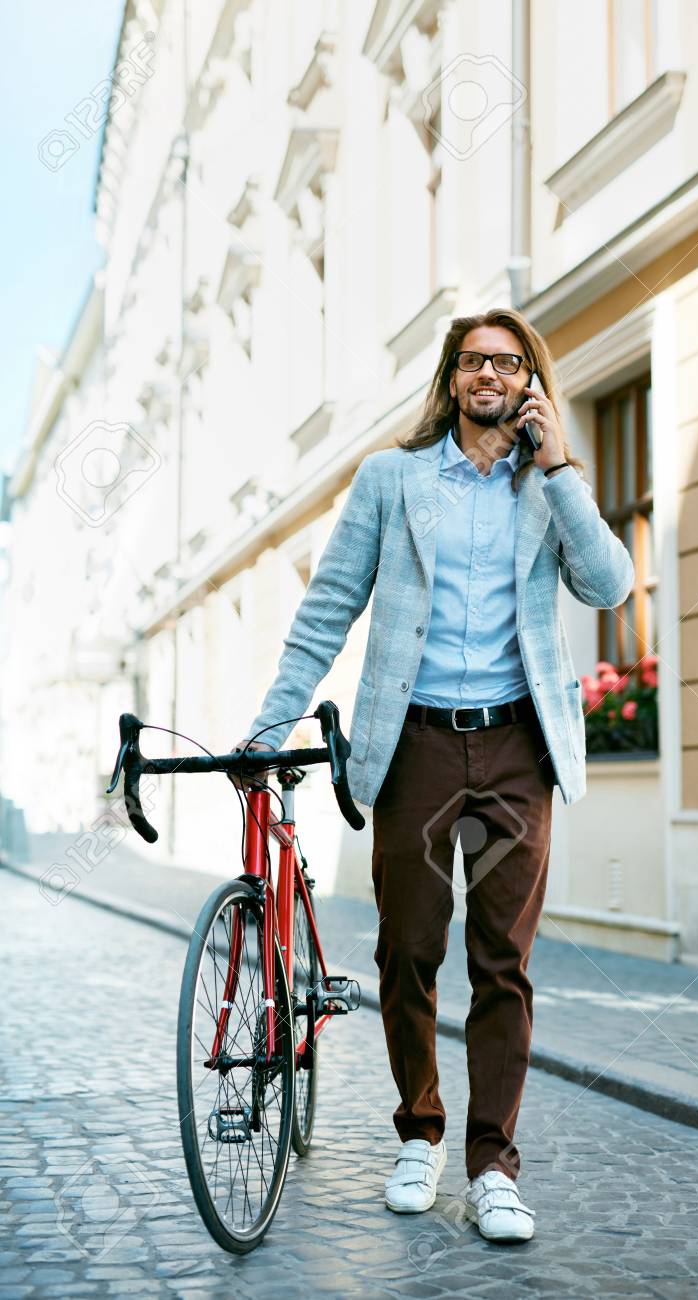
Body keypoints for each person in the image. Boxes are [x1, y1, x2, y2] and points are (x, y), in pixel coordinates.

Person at [231, 308, 634, 1242]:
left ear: (530, 382)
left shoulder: (548, 486)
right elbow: (328, 609)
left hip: (516, 750)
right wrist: (272, 723)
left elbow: (610, 586)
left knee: (502, 963)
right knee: (408, 949)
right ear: (452, 378)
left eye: (510, 362)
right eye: (474, 360)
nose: (490, 374)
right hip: (413, 744)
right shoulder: (391, 479)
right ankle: (419, 1132)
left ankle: (493, 1166)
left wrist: (559, 467)